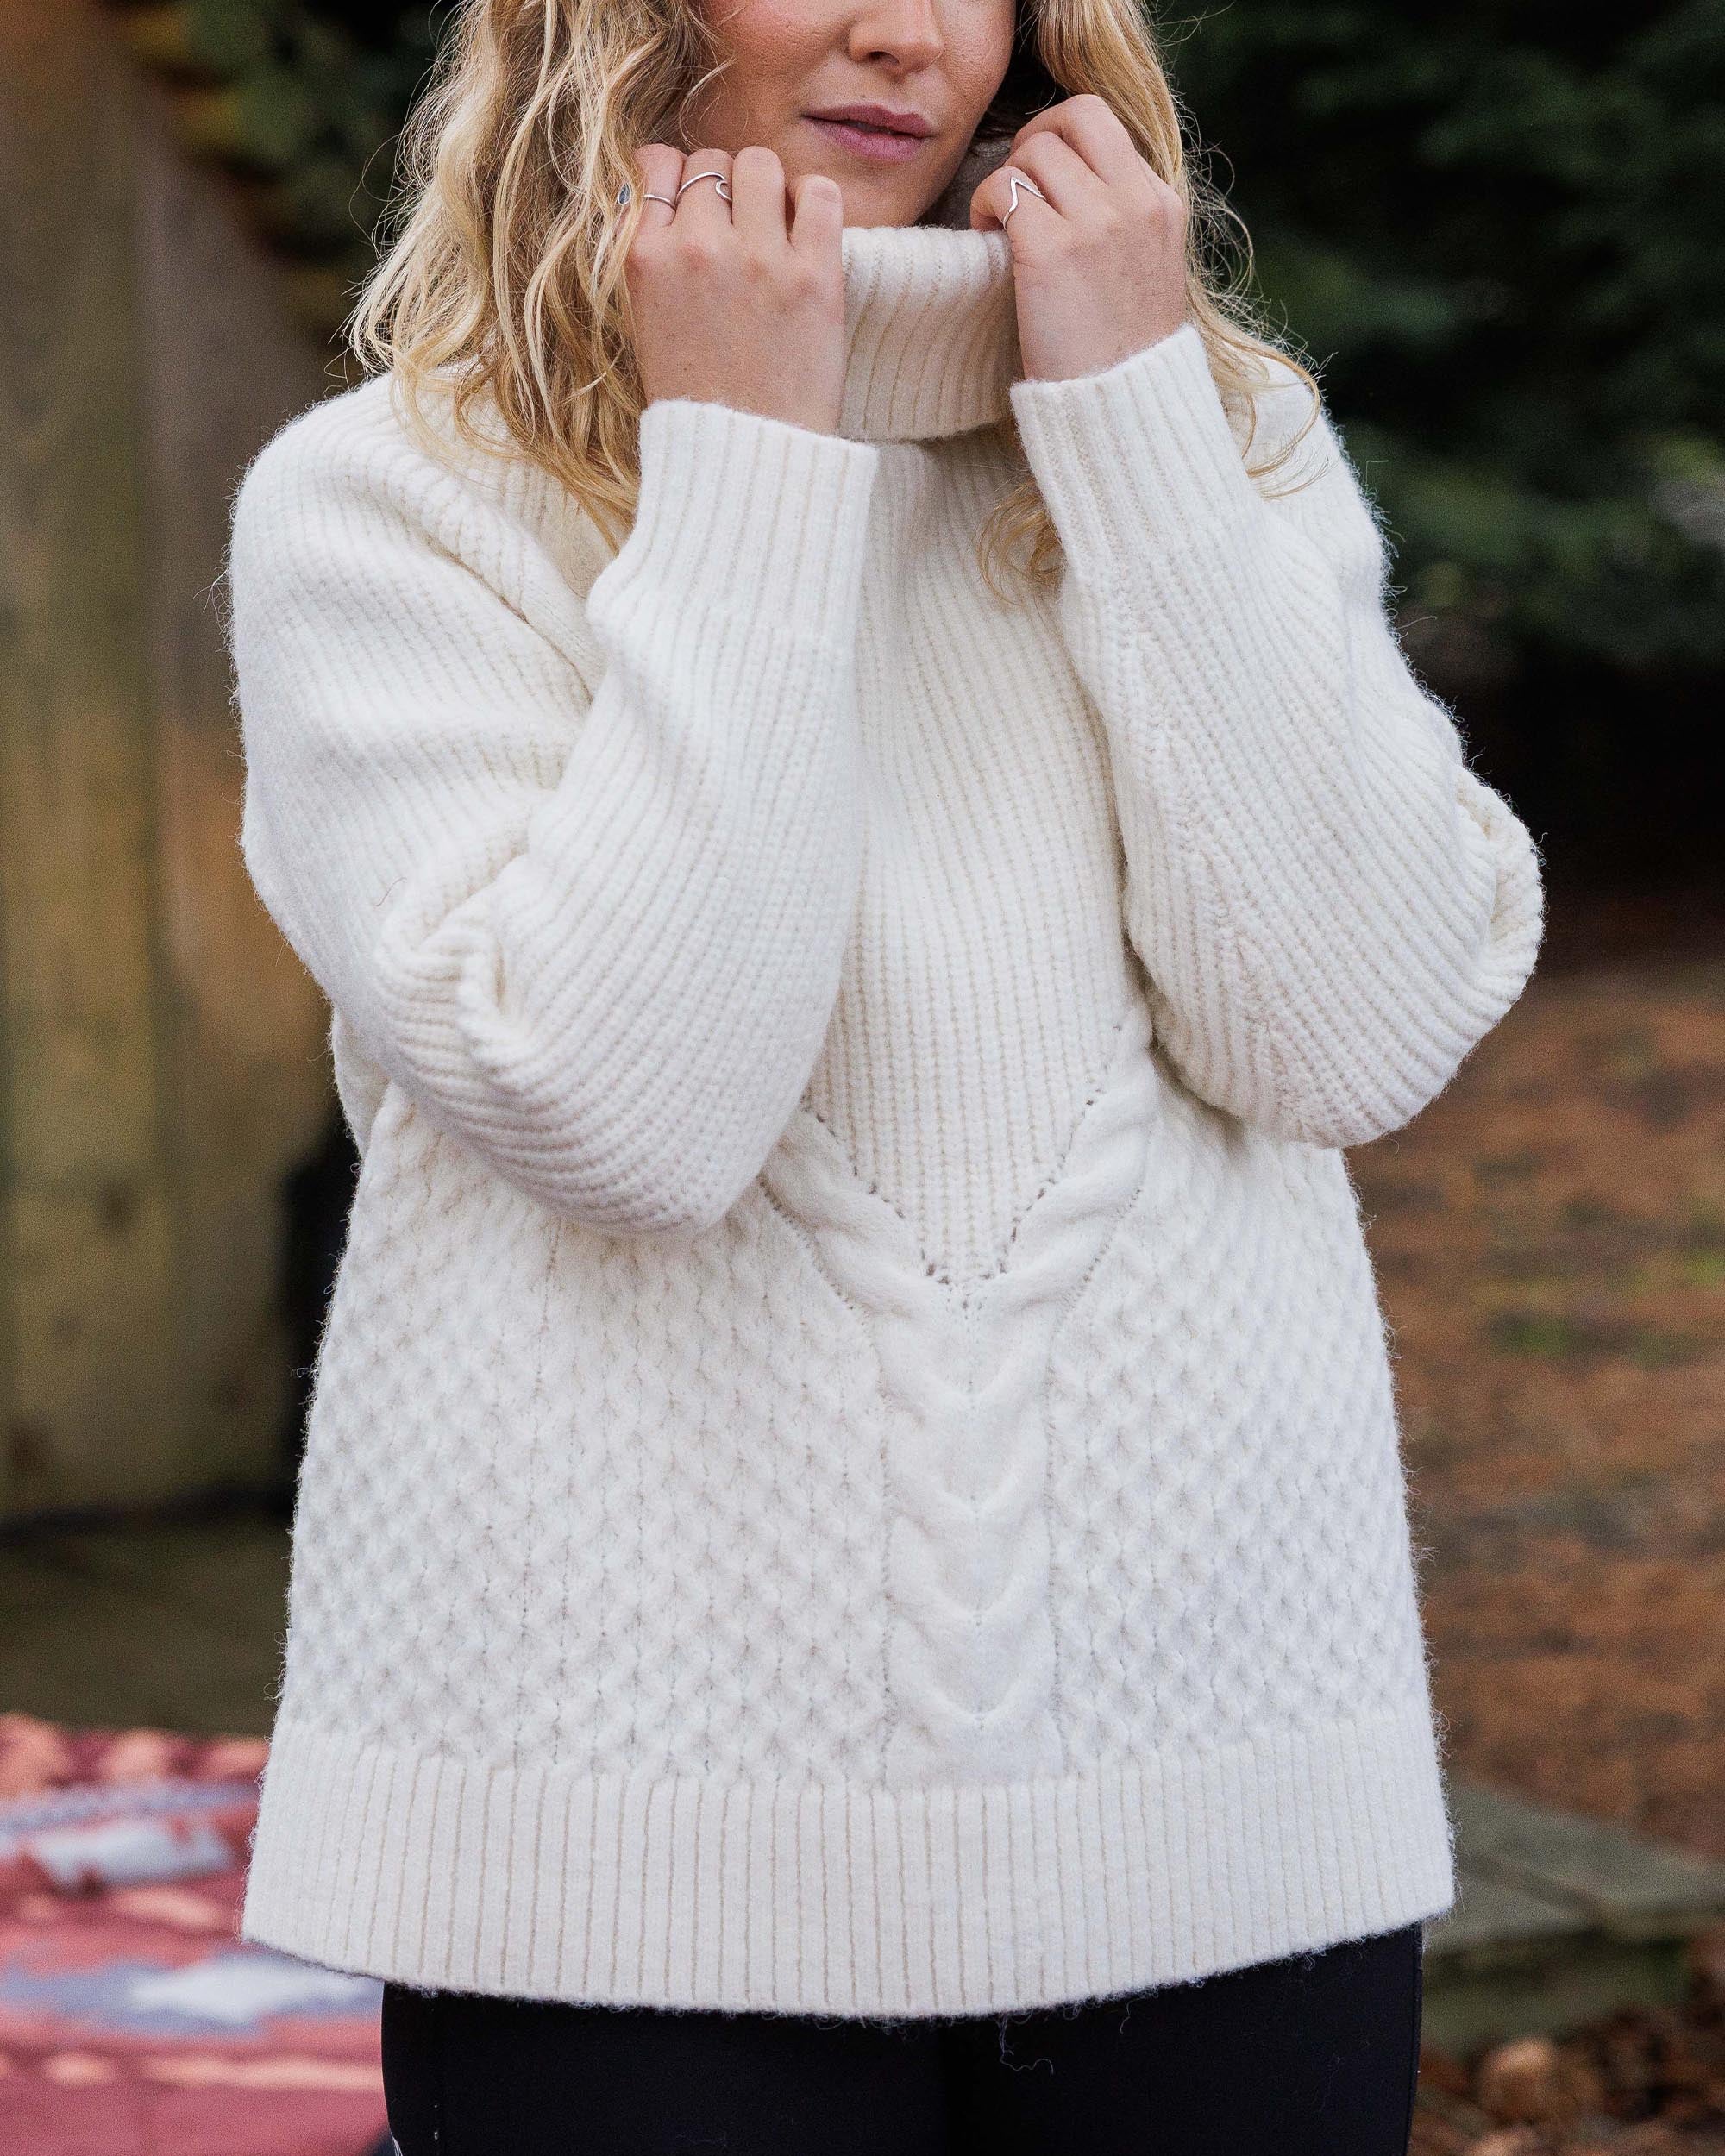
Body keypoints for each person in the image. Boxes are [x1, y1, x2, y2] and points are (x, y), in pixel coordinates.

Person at [223, 0, 1545, 2148]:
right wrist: (750, 458)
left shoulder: (1216, 431)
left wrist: (1131, 420)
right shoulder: (389, 506)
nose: (900, 28)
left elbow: (1350, 1030)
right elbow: (631, 1113)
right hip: (619, 1852)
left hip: (1221, 1804)